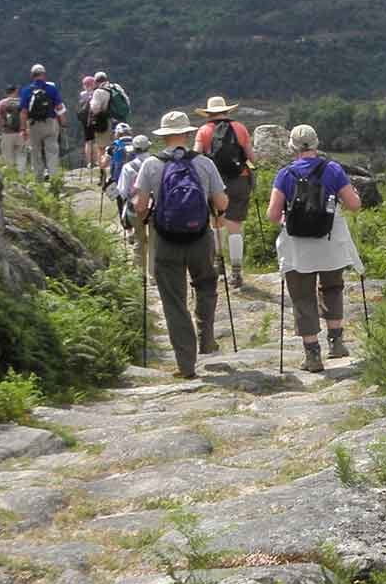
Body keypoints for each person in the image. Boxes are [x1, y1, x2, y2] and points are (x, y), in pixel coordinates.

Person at [132, 112, 226, 379]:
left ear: (163, 136)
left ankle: (186, 365)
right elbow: (221, 204)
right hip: (200, 238)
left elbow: (139, 206)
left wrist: (148, 213)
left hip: (165, 240)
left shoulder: (151, 164)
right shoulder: (204, 163)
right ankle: (206, 337)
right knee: (207, 285)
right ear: (186, 134)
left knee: (174, 302)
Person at [266, 125, 364, 373]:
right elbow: (353, 205)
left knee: (302, 297)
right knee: (332, 287)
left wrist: (285, 222)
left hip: (298, 246)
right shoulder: (333, 169)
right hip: (329, 241)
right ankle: (337, 343)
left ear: (292, 147)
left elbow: (273, 214)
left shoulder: (285, 174)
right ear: (316, 143)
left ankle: (312, 356)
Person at [194, 95, 254, 289]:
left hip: (214, 181)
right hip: (239, 178)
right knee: (235, 224)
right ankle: (236, 271)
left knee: (217, 223)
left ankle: (219, 267)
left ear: (209, 114)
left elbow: (196, 157)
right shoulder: (240, 128)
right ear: (227, 111)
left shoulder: (203, 131)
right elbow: (252, 156)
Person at [17, 64, 65, 181]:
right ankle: (54, 178)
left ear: (32, 76)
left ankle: (38, 179)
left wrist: (23, 129)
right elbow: (59, 107)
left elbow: (23, 112)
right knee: (52, 151)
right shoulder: (51, 89)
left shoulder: (26, 90)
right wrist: (63, 122)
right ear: (44, 75)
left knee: (36, 152)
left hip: (34, 125)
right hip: (50, 123)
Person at [103, 122, 137, 221]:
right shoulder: (137, 144)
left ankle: (127, 229)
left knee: (121, 203)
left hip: (119, 181)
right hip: (136, 180)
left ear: (117, 134)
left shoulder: (113, 146)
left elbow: (104, 163)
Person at [0, 85, 25, 175]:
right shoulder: (22, 101)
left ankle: (10, 176)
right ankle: (21, 176)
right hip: (20, 133)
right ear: (16, 91)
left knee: (8, 157)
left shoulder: (2, 103)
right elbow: (26, 116)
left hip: (7, 133)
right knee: (21, 155)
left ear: (6, 92)